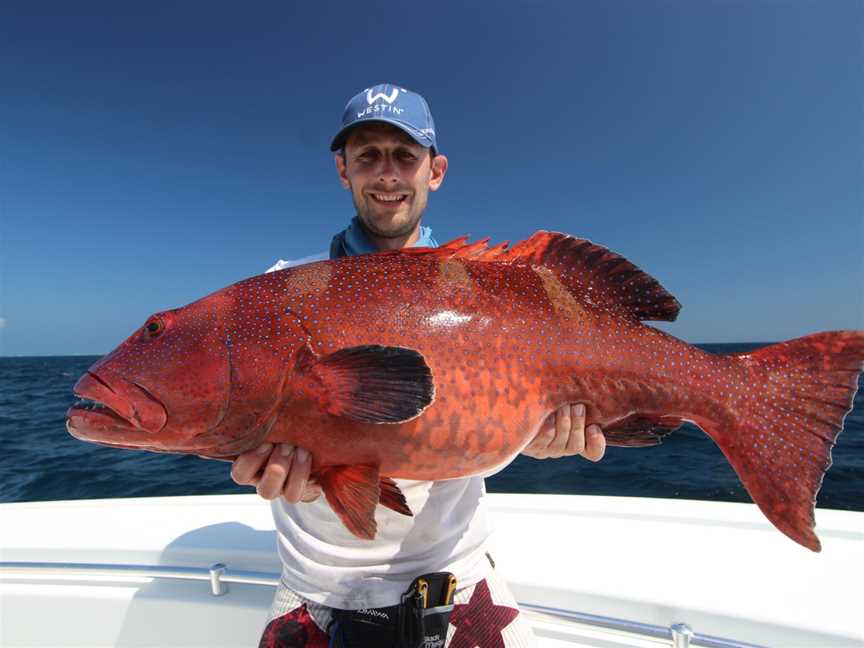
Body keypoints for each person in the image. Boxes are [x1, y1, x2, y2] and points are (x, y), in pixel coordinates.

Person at [231, 83, 606, 648]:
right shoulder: (280, 287)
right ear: (343, 170)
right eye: (368, 157)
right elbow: (251, 415)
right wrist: (295, 480)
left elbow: (493, 408)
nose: (387, 174)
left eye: (405, 156)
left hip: (461, 578)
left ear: (435, 170)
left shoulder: (484, 286)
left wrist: (537, 432)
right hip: (317, 587)